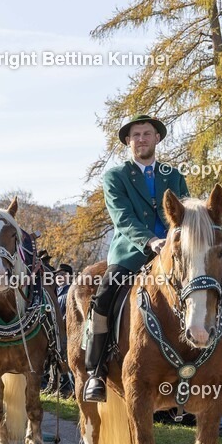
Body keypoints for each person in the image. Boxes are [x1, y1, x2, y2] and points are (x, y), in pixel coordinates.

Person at [83, 114, 189, 402]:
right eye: (135, 136)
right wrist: (151, 240)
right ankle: (96, 371)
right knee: (104, 295)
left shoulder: (173, 175)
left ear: (157, 138)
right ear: (128, 142)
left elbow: (185, 213)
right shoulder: (115, 176)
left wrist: (177, 241)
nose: (141, 139)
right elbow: (123, 218)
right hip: (132, 252)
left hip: (174, 251)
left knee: (216, 280)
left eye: (146, 134)